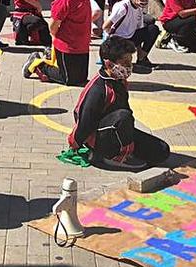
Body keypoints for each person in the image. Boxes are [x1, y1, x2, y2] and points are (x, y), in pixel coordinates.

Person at [68, 36, 170, 171]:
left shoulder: (119, 81)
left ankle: (125, 147)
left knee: (161, 151)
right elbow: (84, 120)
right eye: (125, 63)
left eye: (130, 62)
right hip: (100, 137)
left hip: (117, 129)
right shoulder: (99, 89)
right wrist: (75, 143)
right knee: (124, 116)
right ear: (109, 64)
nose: (129, 67)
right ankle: (111, 156)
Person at [23, 0, 92, 86]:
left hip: (82, 44)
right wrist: (56, 39)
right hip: (67, 46)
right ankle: (38, 64)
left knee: (81, 78)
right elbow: (53, 26)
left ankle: (48, 61)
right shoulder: (63, 0)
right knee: (68, 79)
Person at [104, 0, 160, 74]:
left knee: (153, 29)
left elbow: (138, 30)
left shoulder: (139, 9)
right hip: (117, 40)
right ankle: (118, 58)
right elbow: (106, 26)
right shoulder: (123, 7)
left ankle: (141, 58)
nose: (145, 1)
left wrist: (139, 50)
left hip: (130, 38)